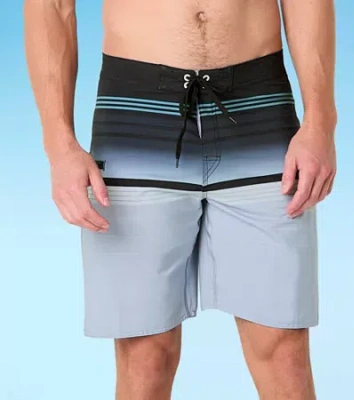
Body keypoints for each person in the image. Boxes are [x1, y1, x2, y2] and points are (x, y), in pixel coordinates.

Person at [24, 0, 337, 399]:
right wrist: (59, 145)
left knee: (283, 350)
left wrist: (320, 122)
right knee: (145, 357)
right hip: (135, 116)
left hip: (259, 109)